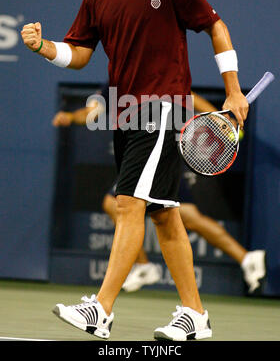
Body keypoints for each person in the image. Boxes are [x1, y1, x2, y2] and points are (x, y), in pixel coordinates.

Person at [21, 0, 249, 341]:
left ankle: (100, 310)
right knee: (164, 215)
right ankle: (196, 316)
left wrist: (234, 88)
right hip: (126, 112)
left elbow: (215, 27)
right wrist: (44, 47)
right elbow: (80, 53)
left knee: (129, 205)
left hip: (165, 107)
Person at [53, 87, 266, 295]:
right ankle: (246, 258)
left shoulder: (150, 72)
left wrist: (219, 118)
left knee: (114, 203)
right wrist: (71, 117)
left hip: (156, 149)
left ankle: (143, 267)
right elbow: (92, 112)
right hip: (149, 152)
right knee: (187, 216)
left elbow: (188, 96)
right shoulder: (113, 84)